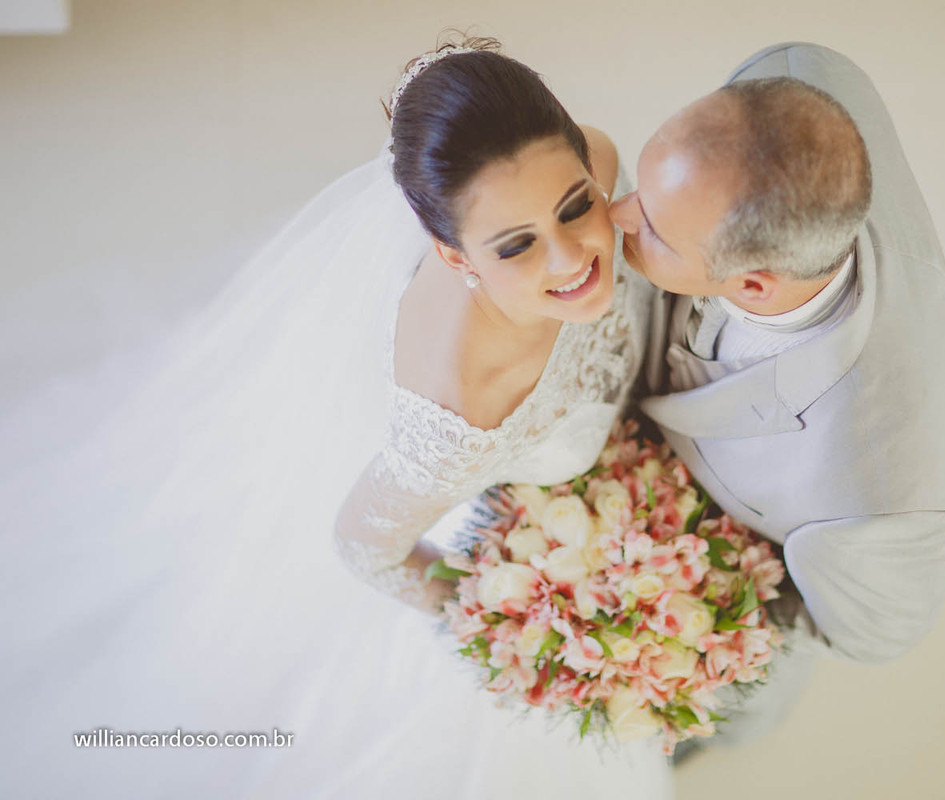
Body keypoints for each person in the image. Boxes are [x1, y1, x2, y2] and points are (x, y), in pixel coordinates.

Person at [0, 37, 671, 798]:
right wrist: (526, 618)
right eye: (516, 246)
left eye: (576, 205)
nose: (571, 258)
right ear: (456, 259)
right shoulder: (461, 413)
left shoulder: (598, 156)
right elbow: (364, 547)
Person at [610, 42, 945, 755]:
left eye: (654, 227)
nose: (618, 212)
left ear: (753, 287)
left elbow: (878, 633)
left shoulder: (876, 498)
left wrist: (697, 602)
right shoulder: (803, 71)